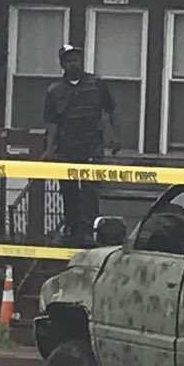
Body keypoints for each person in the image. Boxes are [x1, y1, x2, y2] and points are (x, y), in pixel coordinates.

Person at [43, 44, 115, 242]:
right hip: (67, 146)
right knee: (69, 189)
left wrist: (112, 136)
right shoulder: (54, 90)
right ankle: (72, 227)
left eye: (76, 59)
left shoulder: (97, 84)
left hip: (92, 144)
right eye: (68, 60)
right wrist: (50, 148)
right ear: (63, 64)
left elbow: (108, 111)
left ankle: (89, 229)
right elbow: (52, 121)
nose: (73, 63)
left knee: (91, 189)